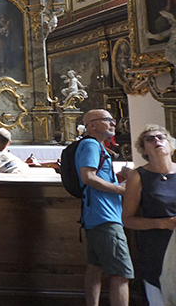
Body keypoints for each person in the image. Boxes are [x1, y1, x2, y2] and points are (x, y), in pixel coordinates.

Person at [77, 109, 134, 306]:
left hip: (97, 215)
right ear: (91, 125)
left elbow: (97, 177)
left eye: (112, 119)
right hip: (105, 217)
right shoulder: (92, 145)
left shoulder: (95, 147)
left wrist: (119, 179)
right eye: (107, 120)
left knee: (95, 267)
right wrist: (120, 189)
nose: (113, 123)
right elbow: (88, 177)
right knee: (121, 273)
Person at [121, 124, 176, 306]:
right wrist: (162, 223)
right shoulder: (139, 176)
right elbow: (127, 220)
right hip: (157, 247)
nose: (157, 141)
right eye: (150, 139)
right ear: (144, 149)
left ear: (171, 145)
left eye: (161, 137)